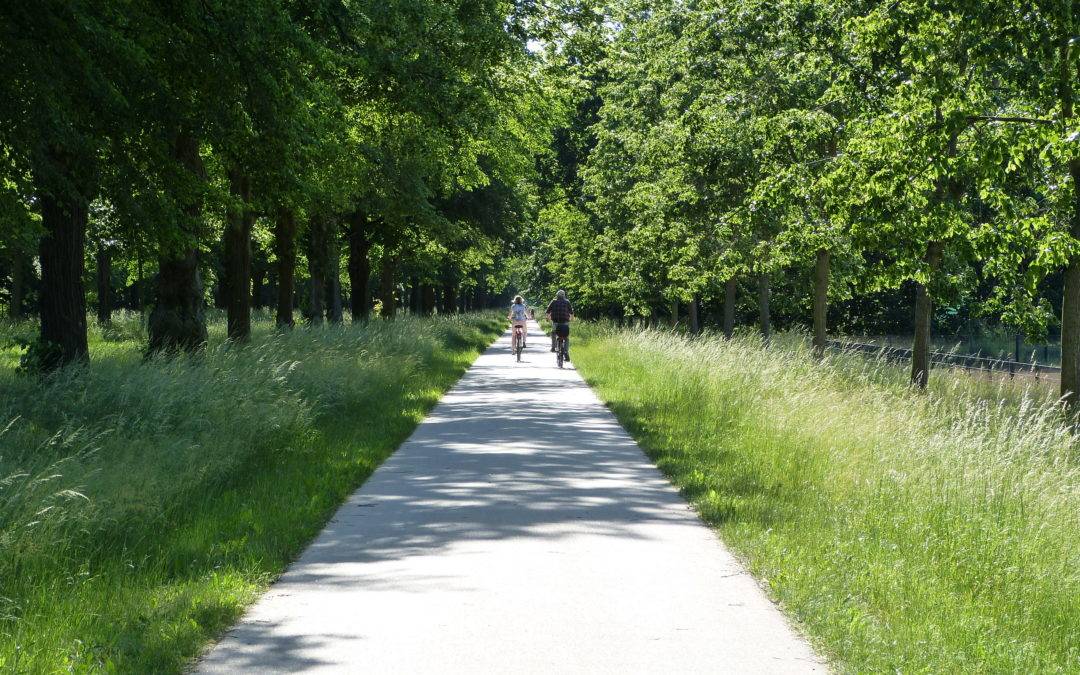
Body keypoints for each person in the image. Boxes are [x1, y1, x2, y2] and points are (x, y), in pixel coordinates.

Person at [546, 290, 573, 361]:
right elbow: (571, 312)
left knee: (554, 333)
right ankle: (566, 352)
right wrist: (571, 319)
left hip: (555, 322)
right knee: (566, 337)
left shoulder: (553, 302)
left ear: (557, 296)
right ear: (564, 295)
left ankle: (553, 347)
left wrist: (547, 319)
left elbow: (548, 311)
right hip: (565, 322)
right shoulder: (567, 302)